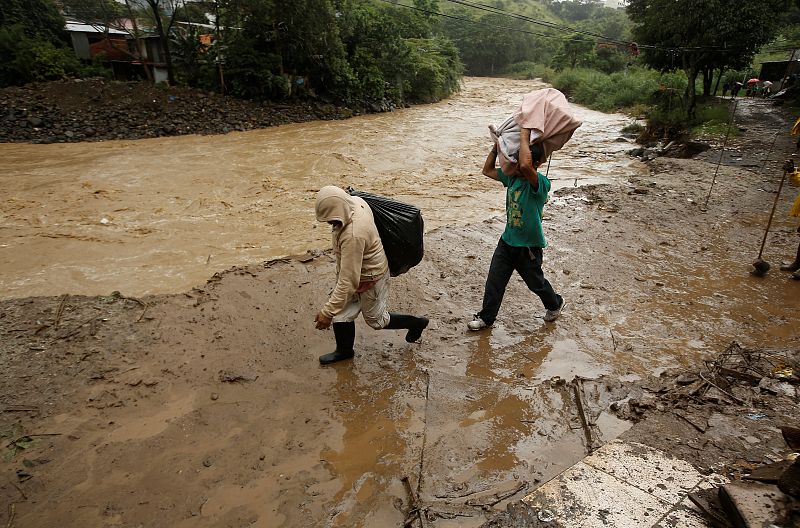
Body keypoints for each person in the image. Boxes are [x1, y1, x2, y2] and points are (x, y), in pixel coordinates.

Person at [314, 186, 429, 364]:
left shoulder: (354, 235)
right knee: (342, 311)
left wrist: (326, 313)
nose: (330, 225)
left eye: (331, 220)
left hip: (371, 276)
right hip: (360, 265)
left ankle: (416, 323)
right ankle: (344, 351)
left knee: (376, 320)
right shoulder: (357, 202)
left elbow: (348, 281)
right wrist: (333, 309)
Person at [468, 129, 565, 331]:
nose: (518, 164)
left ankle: (555, 303)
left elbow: (524, 165)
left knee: (535, 283)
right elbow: (487, 170)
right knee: (495, 280)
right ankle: (486, 318)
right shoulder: (512, 178)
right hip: (507, 241)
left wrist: (524, 132)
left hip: (528, 247)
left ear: (537, 164)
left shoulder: (541, 184)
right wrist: (496, 149)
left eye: (523, 161)